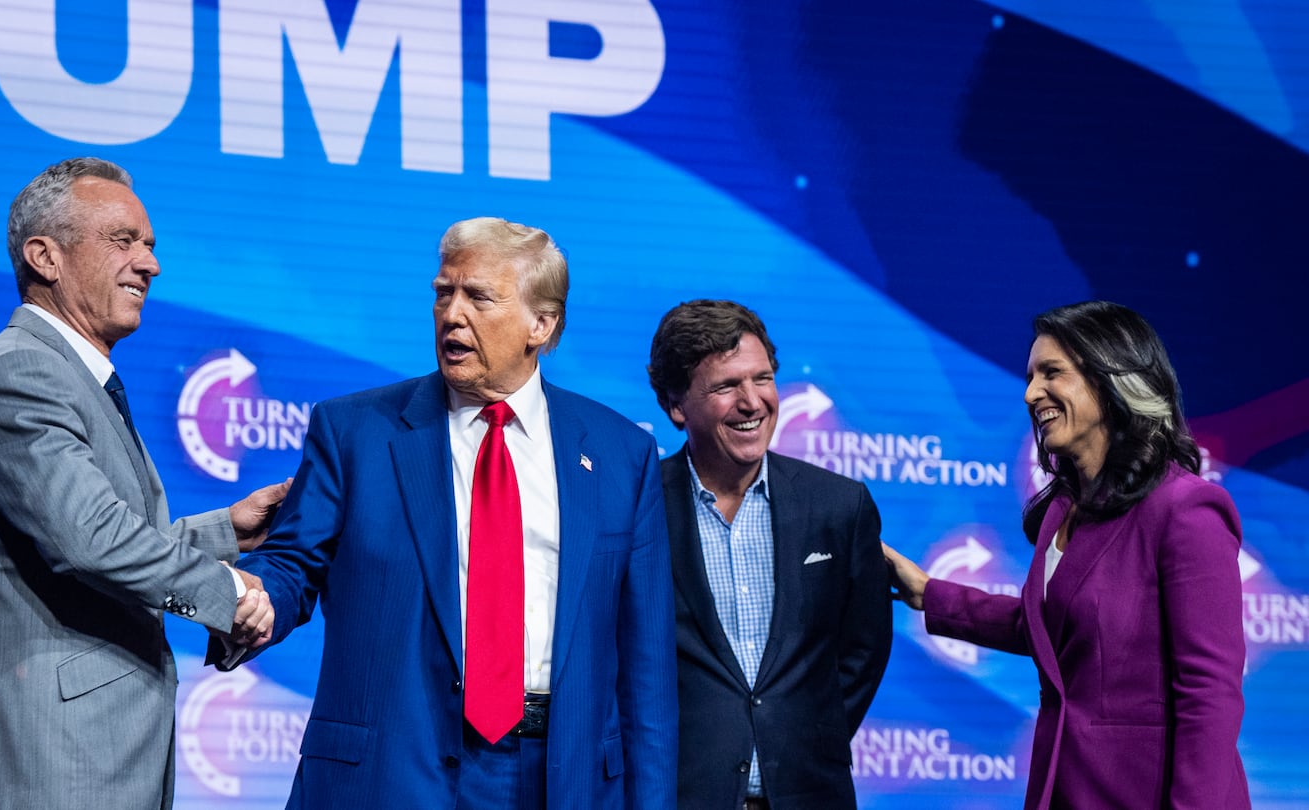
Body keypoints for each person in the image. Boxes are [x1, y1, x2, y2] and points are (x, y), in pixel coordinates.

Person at [228, 217, 677, 808]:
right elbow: (292, 566)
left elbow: (646, 669)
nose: (452, 314)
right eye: (444, 293)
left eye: (479, 297)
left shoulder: (623, 454)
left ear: (540, 325)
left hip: (563, 776)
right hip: (393, 770)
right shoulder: (354, 431)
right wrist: (240, 599)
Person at [0, 157, 287, 810]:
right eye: (123, 241)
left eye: (150, 246)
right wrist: (230, 593)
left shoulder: (72, 377)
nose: (150, 264)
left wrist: (225, 534)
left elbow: (87, 531)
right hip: (47, 766)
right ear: (45, 256)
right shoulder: (19, 375)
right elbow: (91, 540)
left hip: (97, 757)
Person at [881, 300, 1251, 809]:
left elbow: (1210, 694)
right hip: (1063, 788)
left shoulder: (1185, 510)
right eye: (1030, 376)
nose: (1032, 393)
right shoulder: (1064, 507)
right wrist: (930, 594)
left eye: (1052, 373)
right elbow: (1054, 629)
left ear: (1111, 379)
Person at [646, 299, 892, 809]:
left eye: (762, 379)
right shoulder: (638, 507)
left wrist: (804, 737)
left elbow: (863, 650)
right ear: (676, 405)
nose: (752, 402)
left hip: (808, 793)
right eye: (725, 386)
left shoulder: (840, 506)